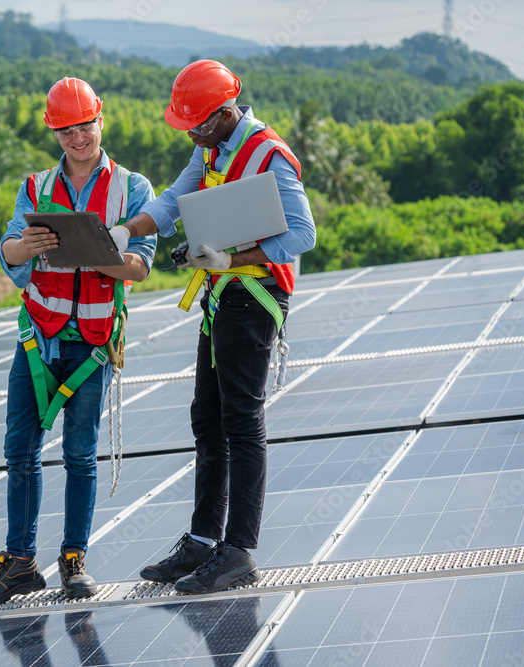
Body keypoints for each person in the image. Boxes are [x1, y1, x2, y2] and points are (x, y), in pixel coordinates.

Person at [117, 60, 316, 594]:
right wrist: (122, 231)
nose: (193, 135)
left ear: (227, 112)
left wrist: (234, 258)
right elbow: (169, 204)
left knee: (242, 422)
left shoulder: (268, 156)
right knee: (207, 418)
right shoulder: (210, 147)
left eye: (199, 125)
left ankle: (239, 551)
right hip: (220, 298)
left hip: (253, 299)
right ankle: (204, 541)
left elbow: (302, 234)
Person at [0, 77, 158, 607]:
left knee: (79, 454)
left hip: (93, 340)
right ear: (55, 132)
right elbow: (7, 248)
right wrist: (22, 247)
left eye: (86, 126)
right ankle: (20, 562)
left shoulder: (131, 188)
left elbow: (141, 264)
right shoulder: (34, 189)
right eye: (67, 130)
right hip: (38, 338)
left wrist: (94, 252)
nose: (78, 138)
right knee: (19, 449)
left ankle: (73, 559)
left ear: (101, 120)